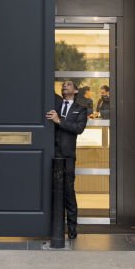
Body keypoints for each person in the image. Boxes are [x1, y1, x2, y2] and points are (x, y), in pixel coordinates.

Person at [46, 79, 88, 239]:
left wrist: (59, 121)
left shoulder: (81, 109)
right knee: (51, 190)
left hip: (68, 156)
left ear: (76, 91)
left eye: (69, 84)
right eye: (63, 84)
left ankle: (71, 228)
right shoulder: (56, 102)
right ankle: (51, 227)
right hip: (52, 153)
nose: (65, 85)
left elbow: (79, 128)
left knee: (68, 192)